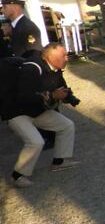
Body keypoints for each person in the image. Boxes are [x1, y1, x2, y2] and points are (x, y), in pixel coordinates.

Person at [3, 43, 80, 188]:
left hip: (37, 110)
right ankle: (18, 176)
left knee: (66, 125)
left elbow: (61, 87)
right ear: (50, 57)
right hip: (17, 112)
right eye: (63, 55)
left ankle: (59, 161)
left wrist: (67, 97)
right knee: (35, 141)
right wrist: (53, 95)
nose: (67, 58)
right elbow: (25, 96)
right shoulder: (31, 69)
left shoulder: (56, 70)